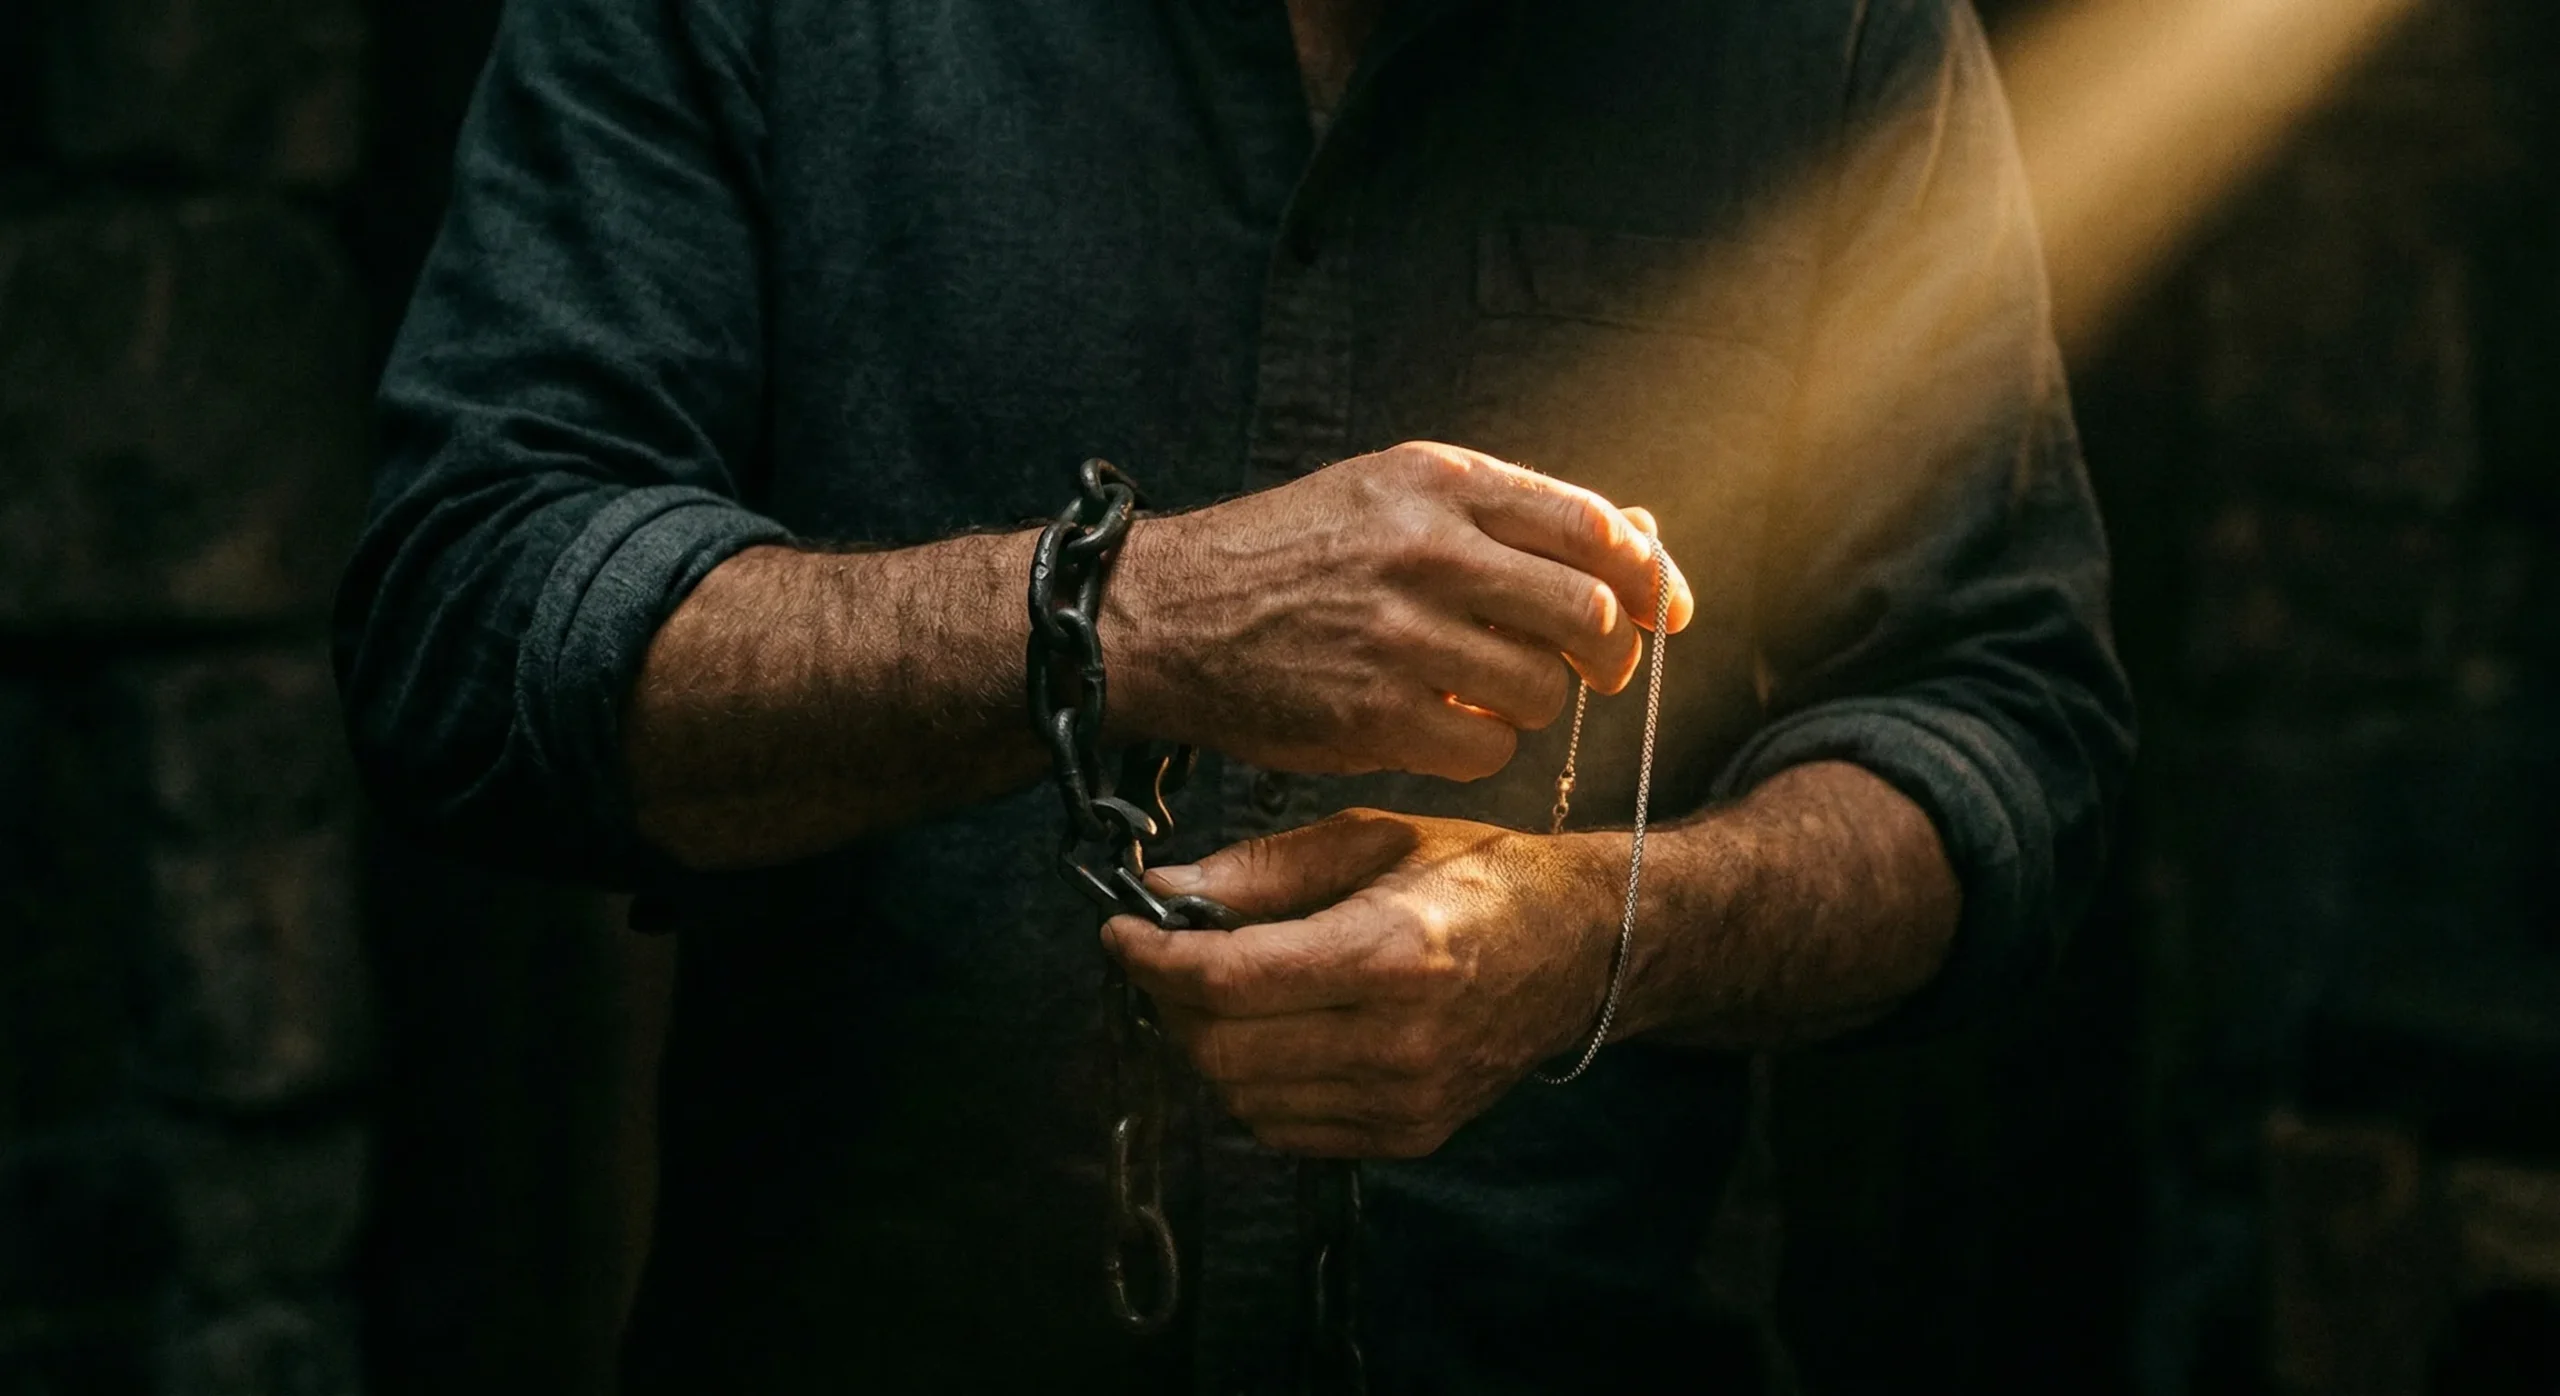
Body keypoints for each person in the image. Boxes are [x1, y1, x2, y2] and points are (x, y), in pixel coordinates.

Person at [336, 0, 2133, 1387]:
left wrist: (1606, 935)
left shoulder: (1827, 33)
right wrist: (1126, 614)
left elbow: (2008, 729)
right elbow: (467, 622)